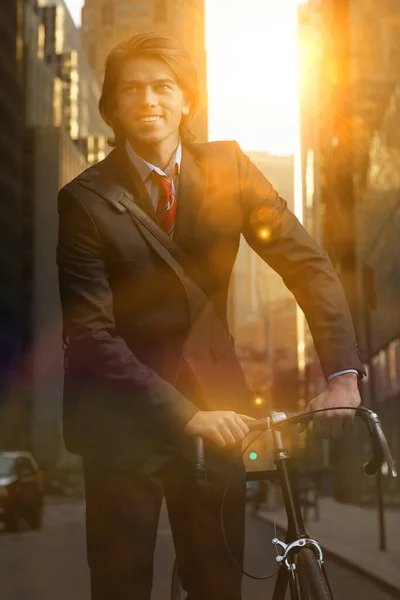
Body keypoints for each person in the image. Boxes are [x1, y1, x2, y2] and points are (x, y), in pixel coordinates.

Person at [56, 32, 366, 600]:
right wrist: (186, 416)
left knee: (219, 586)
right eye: (132, 89)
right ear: (114, 107)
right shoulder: (85, 200)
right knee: (121, 588)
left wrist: (342, 375)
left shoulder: (230, 168)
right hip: (124, 423)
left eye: (162, 86)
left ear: (187, 100)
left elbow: (308, 265)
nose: (148, 100)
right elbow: (92, 336)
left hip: (219, 404)